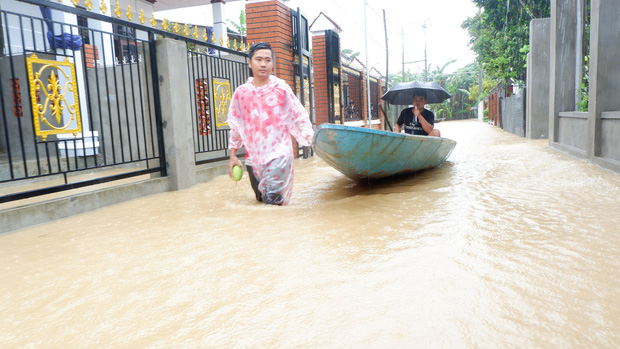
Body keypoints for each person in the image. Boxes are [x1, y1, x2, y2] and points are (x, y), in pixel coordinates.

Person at [227, 42, 314, 205]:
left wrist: (309, 136)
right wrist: (232, 156)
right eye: (258, 59)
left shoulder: (281, 89)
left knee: (274, 204)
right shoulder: (241, 93)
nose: (263, 64)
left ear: (272, 64)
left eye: (267, 60)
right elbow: (236, 126)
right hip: (254, 159)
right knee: (261, 202)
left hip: (279, 156)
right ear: (249, 62)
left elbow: (298, 115)